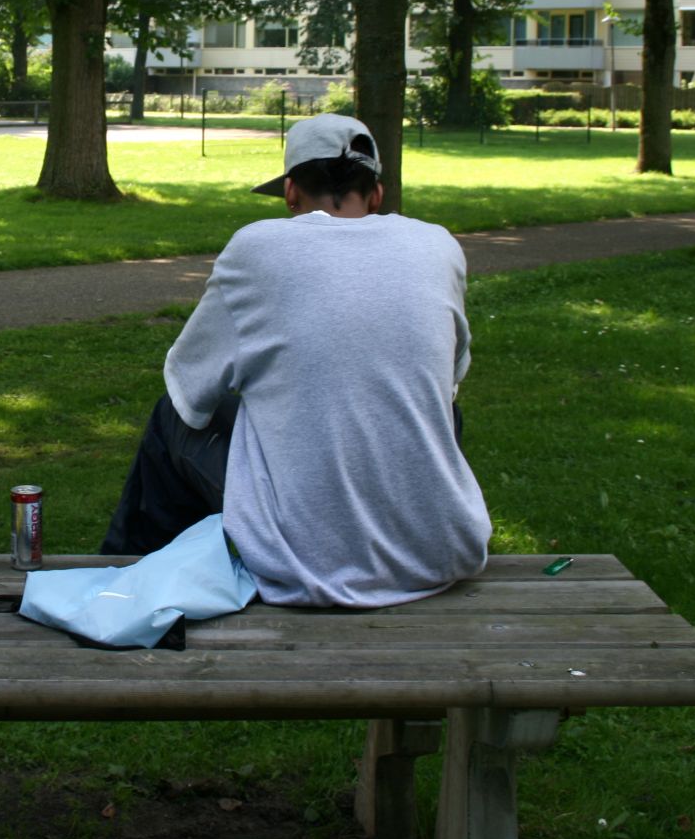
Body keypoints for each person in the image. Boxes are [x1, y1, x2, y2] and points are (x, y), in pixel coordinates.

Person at [100, 112, 490, 608]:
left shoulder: (258, 248)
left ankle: (123, 583)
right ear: (376, 194)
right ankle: (404, 527)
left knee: (170, 418)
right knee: (439, 410)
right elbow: (449, 382)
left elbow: (190, 390)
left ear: (290, 193)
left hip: (301, 559)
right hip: (438, 555)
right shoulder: (438, 245)